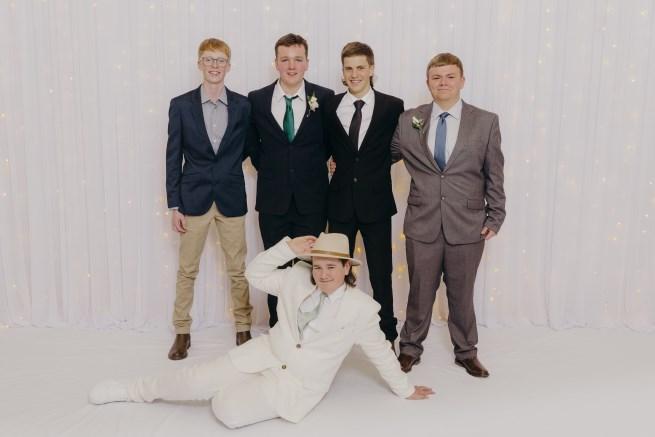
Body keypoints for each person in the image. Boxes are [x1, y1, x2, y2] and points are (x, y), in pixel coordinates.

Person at [88, 233, 434, 429]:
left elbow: (380, 352)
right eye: (318, 267)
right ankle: (132, 390)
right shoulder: (296, 277)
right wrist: (288, 249)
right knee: (194, 380)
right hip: (265, 353)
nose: (323, 274)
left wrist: (404, 389)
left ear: (347, 268)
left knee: (228, 412)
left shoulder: (361, 309)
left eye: (331, 267)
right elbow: (253, 274)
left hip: (295, 384)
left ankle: (226, 385)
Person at [391, 53, 506, 377]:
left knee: (462, 294)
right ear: (427, 82)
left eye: (450, 76)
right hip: (422, 222)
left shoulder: (485, 121)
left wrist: (495, 216)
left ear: (462, 80)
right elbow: (380, 156)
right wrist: (339, 162)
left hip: (468, 224)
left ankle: (466, 352)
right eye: (436, 77)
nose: (443, 82)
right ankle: (409, 349)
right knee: (419, 291)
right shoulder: (409, 120)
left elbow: (495, 172)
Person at [165, 38, 253, 360]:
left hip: (231, 196)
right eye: (209, 59)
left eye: (220, 60)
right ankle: (182, 332)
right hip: (193, 198)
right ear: (199, 64)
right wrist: (174, 204)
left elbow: (248, 147)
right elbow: (173, 156)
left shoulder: (243, 105)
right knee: (187, 269)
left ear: (229, 65)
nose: (215, 66)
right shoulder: (181, 105)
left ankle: (243, 327)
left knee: (237, 268)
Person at [246, 33, 334, 327]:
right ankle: (278, 326)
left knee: (310, 267)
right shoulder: (257, 99)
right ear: (276, 63)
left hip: (312, 200)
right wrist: (277, 171)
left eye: (298, 59)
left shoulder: (324, 97)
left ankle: (306, 327)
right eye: (285, 59)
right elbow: (254, 148)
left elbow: (329, 144)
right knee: (275, 265)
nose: (291, 66)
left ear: (307, 63)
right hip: (273, 200)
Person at [324, 42, 404, 348]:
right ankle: (335, 333)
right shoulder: (330, 105)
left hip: (377, 203)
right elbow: (326, 146)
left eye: (360, 67)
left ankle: (387, 335)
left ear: (371, 69)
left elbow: (398, 148)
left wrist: (376, 167)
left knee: (381, 273)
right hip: (340, 203)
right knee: (335, 272)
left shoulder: (392, 106)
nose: (354, 74)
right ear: (342, 72)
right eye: (349, 68)